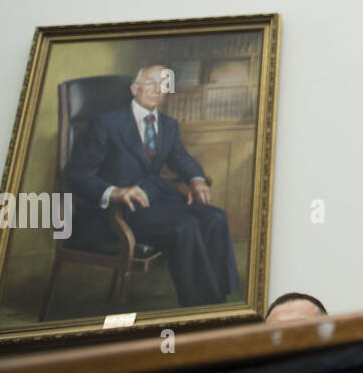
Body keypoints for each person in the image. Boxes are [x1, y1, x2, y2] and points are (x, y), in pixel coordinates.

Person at [67, 65, 239, 307]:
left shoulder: (168, 125)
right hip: (123, 209)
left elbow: (182, 159)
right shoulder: (107, 124)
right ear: (134, 89)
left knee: (216, 218)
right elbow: (78, 174)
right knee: (185, 226)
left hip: (160, 198)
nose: (157, 90)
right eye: (150, 83)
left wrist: (196, 179)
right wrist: (114, 192)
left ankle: (223, 300)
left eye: (163, 85)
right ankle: (200, 307)